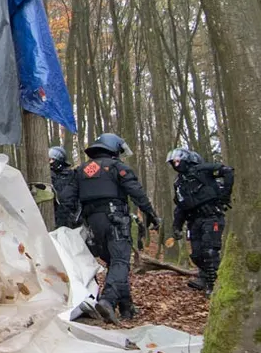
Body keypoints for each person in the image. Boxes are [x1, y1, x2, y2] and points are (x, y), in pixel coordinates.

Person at [64, 133, 160, 323]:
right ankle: (107, 301)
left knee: (114, 263)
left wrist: (73, 221)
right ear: (113, 148)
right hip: (115, 219)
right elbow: (136, 192)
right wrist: (151, 214)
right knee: (120, 262)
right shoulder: (117, 167)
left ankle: (126, 308)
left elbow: (68, 199)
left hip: (92, 224)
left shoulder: (80, 170)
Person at [168, 148, 234, 295]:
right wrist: (177, 226)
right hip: (194, 221)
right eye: (173, 162)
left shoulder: (204, 170)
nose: (176, 164)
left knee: (210, 251)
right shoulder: (179, 183)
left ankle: (214, 286)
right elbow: (181, 206)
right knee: (197, 254)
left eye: (178, 161)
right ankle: (204, 278)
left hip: (212, 217)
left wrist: (225, 196)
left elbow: (228, 171)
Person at [49, 146, 79, 229]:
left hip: (69, 216)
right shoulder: (47, 176)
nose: (50, 163)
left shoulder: (72, 175)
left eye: (52, 160)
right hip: (52, 215)